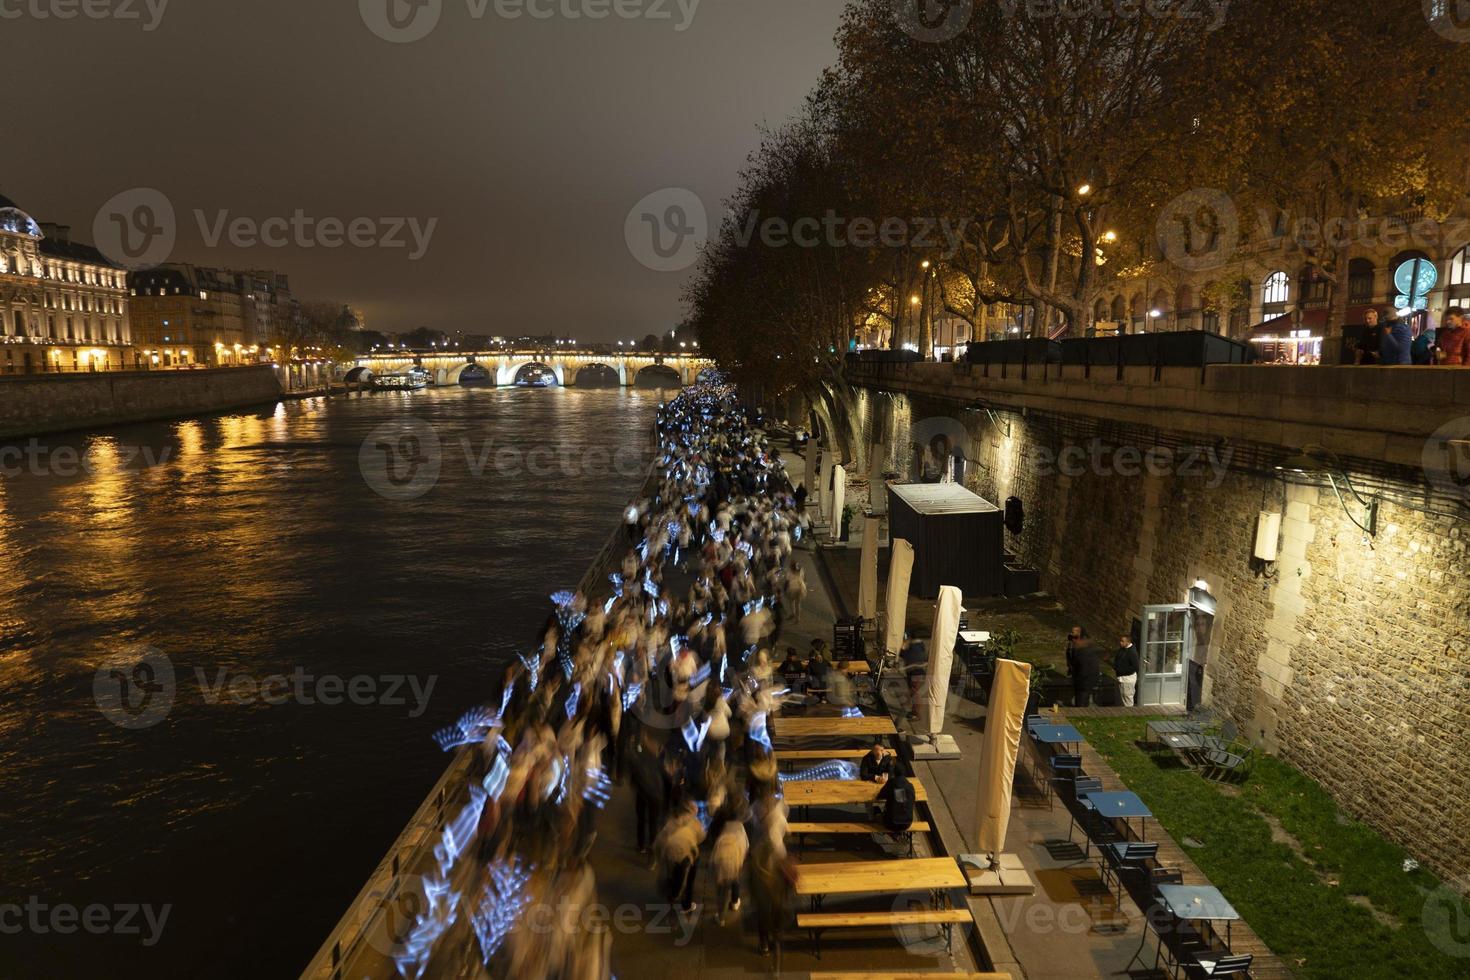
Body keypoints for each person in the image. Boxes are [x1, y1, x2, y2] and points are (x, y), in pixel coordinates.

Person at [711, 818, 749, 926]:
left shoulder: (720, 828)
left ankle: (721, 918)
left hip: (721, 865)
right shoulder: (740, 827)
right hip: (736, 861)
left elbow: (714, 849)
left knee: (722, 893)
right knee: (736, 880)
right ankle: (734, 902)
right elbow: (746, 845)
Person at [1068, 628, 1100, 708]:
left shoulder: (1084, 653)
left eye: (1075, 638)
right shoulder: (1077, 649)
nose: (1073, 641)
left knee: (1081, 702)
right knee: (1081, 700)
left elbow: (1085, 669)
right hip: (1082, 681)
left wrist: (1079, 680)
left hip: (1084, 682)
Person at [1113, 634, 1140, 708]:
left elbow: (1135, 666)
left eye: (1122, 641)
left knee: (1127, 698)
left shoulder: (1132, 652)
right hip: (1122, 678)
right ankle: (1125, 714)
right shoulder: (1122, 649)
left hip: (1128, 679)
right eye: (1120, 641)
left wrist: (1122, 671)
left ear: (1128, 642)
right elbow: (1117, 659)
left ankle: (1130, 714)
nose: (1120, 642)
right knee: (1123, 697)